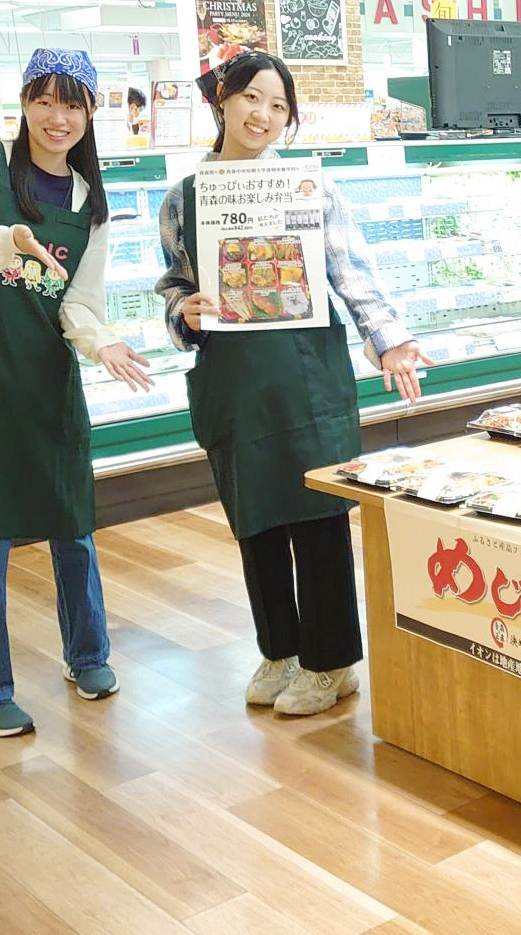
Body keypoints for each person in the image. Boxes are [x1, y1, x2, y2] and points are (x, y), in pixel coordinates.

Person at [155, 50, 434, 717]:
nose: (265, 115)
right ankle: (279, 649)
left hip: (306, 372)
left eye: (280, 107)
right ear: (222, 99)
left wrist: (390, 340)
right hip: (233, 378)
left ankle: (331, 662)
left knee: (317, 517)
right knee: (254, 516)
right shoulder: (183, 197)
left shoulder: (310, 188)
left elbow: (351, 270)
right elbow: (172, 282)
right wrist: (181, 311)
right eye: (253, 98)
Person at [0, 48, 153, 738]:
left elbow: (78, 304)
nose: (59, 118)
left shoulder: (91, 203)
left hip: (46, 378)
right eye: (46, 101)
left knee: (72, 522)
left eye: (73, 104)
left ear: (90, 112)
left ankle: (88, 655)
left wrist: (101, 341)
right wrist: (2, 243)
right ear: (24, 103)